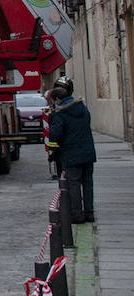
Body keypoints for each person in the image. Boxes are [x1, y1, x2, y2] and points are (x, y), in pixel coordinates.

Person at [47, 85, 96, 222]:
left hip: (71, 153)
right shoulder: (83, 108)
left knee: (73, 184)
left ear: (57, 99)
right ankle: (89, 213)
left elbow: (55, 135)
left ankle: (77, 214)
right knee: (88, 183)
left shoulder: (60, 113)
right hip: (88, 152)